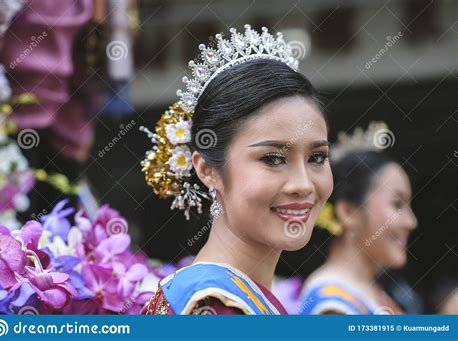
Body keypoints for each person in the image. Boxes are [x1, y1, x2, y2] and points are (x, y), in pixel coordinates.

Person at [140, 25, 333, 314]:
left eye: (316, 158)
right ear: (208, 170)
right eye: (272, 158)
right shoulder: (213, 306)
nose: (303, 184)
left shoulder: (243, 300)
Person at [299, 122, 418, 315]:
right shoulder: (332, 307)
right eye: (397, 204)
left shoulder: (371, 293)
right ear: (348, 212)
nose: (411, 222)